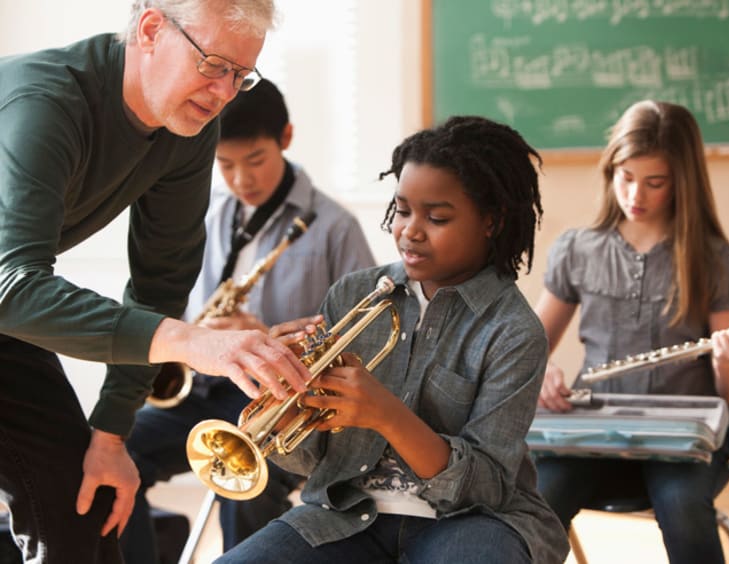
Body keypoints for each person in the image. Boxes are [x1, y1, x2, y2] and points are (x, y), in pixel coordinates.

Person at [0, 1, 316, 562]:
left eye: (241, 76)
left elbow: (162, 279)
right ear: (151, 30)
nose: (223, 92)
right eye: (214, 64)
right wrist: (192, 341)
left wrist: (111, 435)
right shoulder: (45, 101)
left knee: (87, 508)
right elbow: (13, 289)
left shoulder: (189, 125)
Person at [213, 115, 570, 564]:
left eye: (436, 217)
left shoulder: (514, 330)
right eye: (402, 210)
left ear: (492, 222)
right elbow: (311, 460)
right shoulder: (352, 293)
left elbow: (486, 488)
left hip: (472, 521)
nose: (410, 230)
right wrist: (283, 391)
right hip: (342, 516)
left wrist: (387, 415)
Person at [120, 78, 376, 562]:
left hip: (283, 407)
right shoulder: (209, 212)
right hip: (203, 392)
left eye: (255, 160)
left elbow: (365, 335)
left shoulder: (335, 227)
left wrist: (265, 339)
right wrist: (196, 337)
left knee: (246, 487)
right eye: (226, 164)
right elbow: (174, 305)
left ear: (286, 138)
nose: (241, 180)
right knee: (114, 455)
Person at [533, 100, 729, 563]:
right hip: (593, 435)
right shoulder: (578, 248)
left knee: (683, 506)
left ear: (682, 183)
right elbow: (527, 348)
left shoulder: (716, 261)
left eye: (655, 182)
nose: (636, 195)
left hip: (686, 441)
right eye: (625, 177)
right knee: (535, 504)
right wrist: (539, 371)